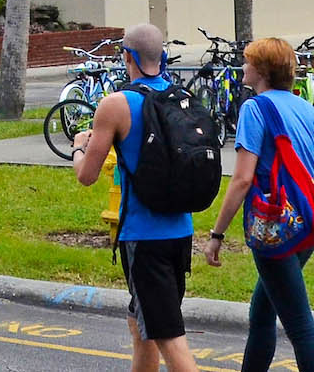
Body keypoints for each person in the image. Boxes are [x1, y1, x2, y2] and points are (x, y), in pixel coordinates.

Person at [69, 23, 202, 372]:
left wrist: (79, 148)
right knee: (141, 323)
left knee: (168, 336)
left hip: (143, 237)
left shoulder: (116, 105)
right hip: (180, 230)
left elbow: (87, 175)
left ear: (127, 56)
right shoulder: (179, 97)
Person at [202, 37, 314, 372]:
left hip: (273, 228)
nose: (243, 67)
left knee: (300, 327)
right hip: (306, 225)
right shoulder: (306, 109)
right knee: (262, 311)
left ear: (260, 71)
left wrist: (217, 234)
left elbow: (243, 179)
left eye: (248, 62)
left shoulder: (254, 109)